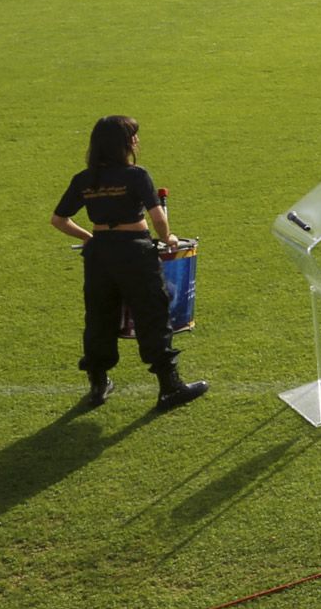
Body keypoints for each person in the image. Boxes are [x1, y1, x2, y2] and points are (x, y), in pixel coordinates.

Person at [48, 116, 209, 411]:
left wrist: (89, 238)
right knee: (152, 315)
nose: (136, 141)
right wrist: (169, 237)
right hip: (135, 253)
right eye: (133, 136)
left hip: (99, 255)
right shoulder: (136, 175)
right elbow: (158, 218)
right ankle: (169, 387)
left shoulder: (84, 179)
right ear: (122, 143)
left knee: (99, 317)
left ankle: (98, 385)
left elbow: (58, 220)